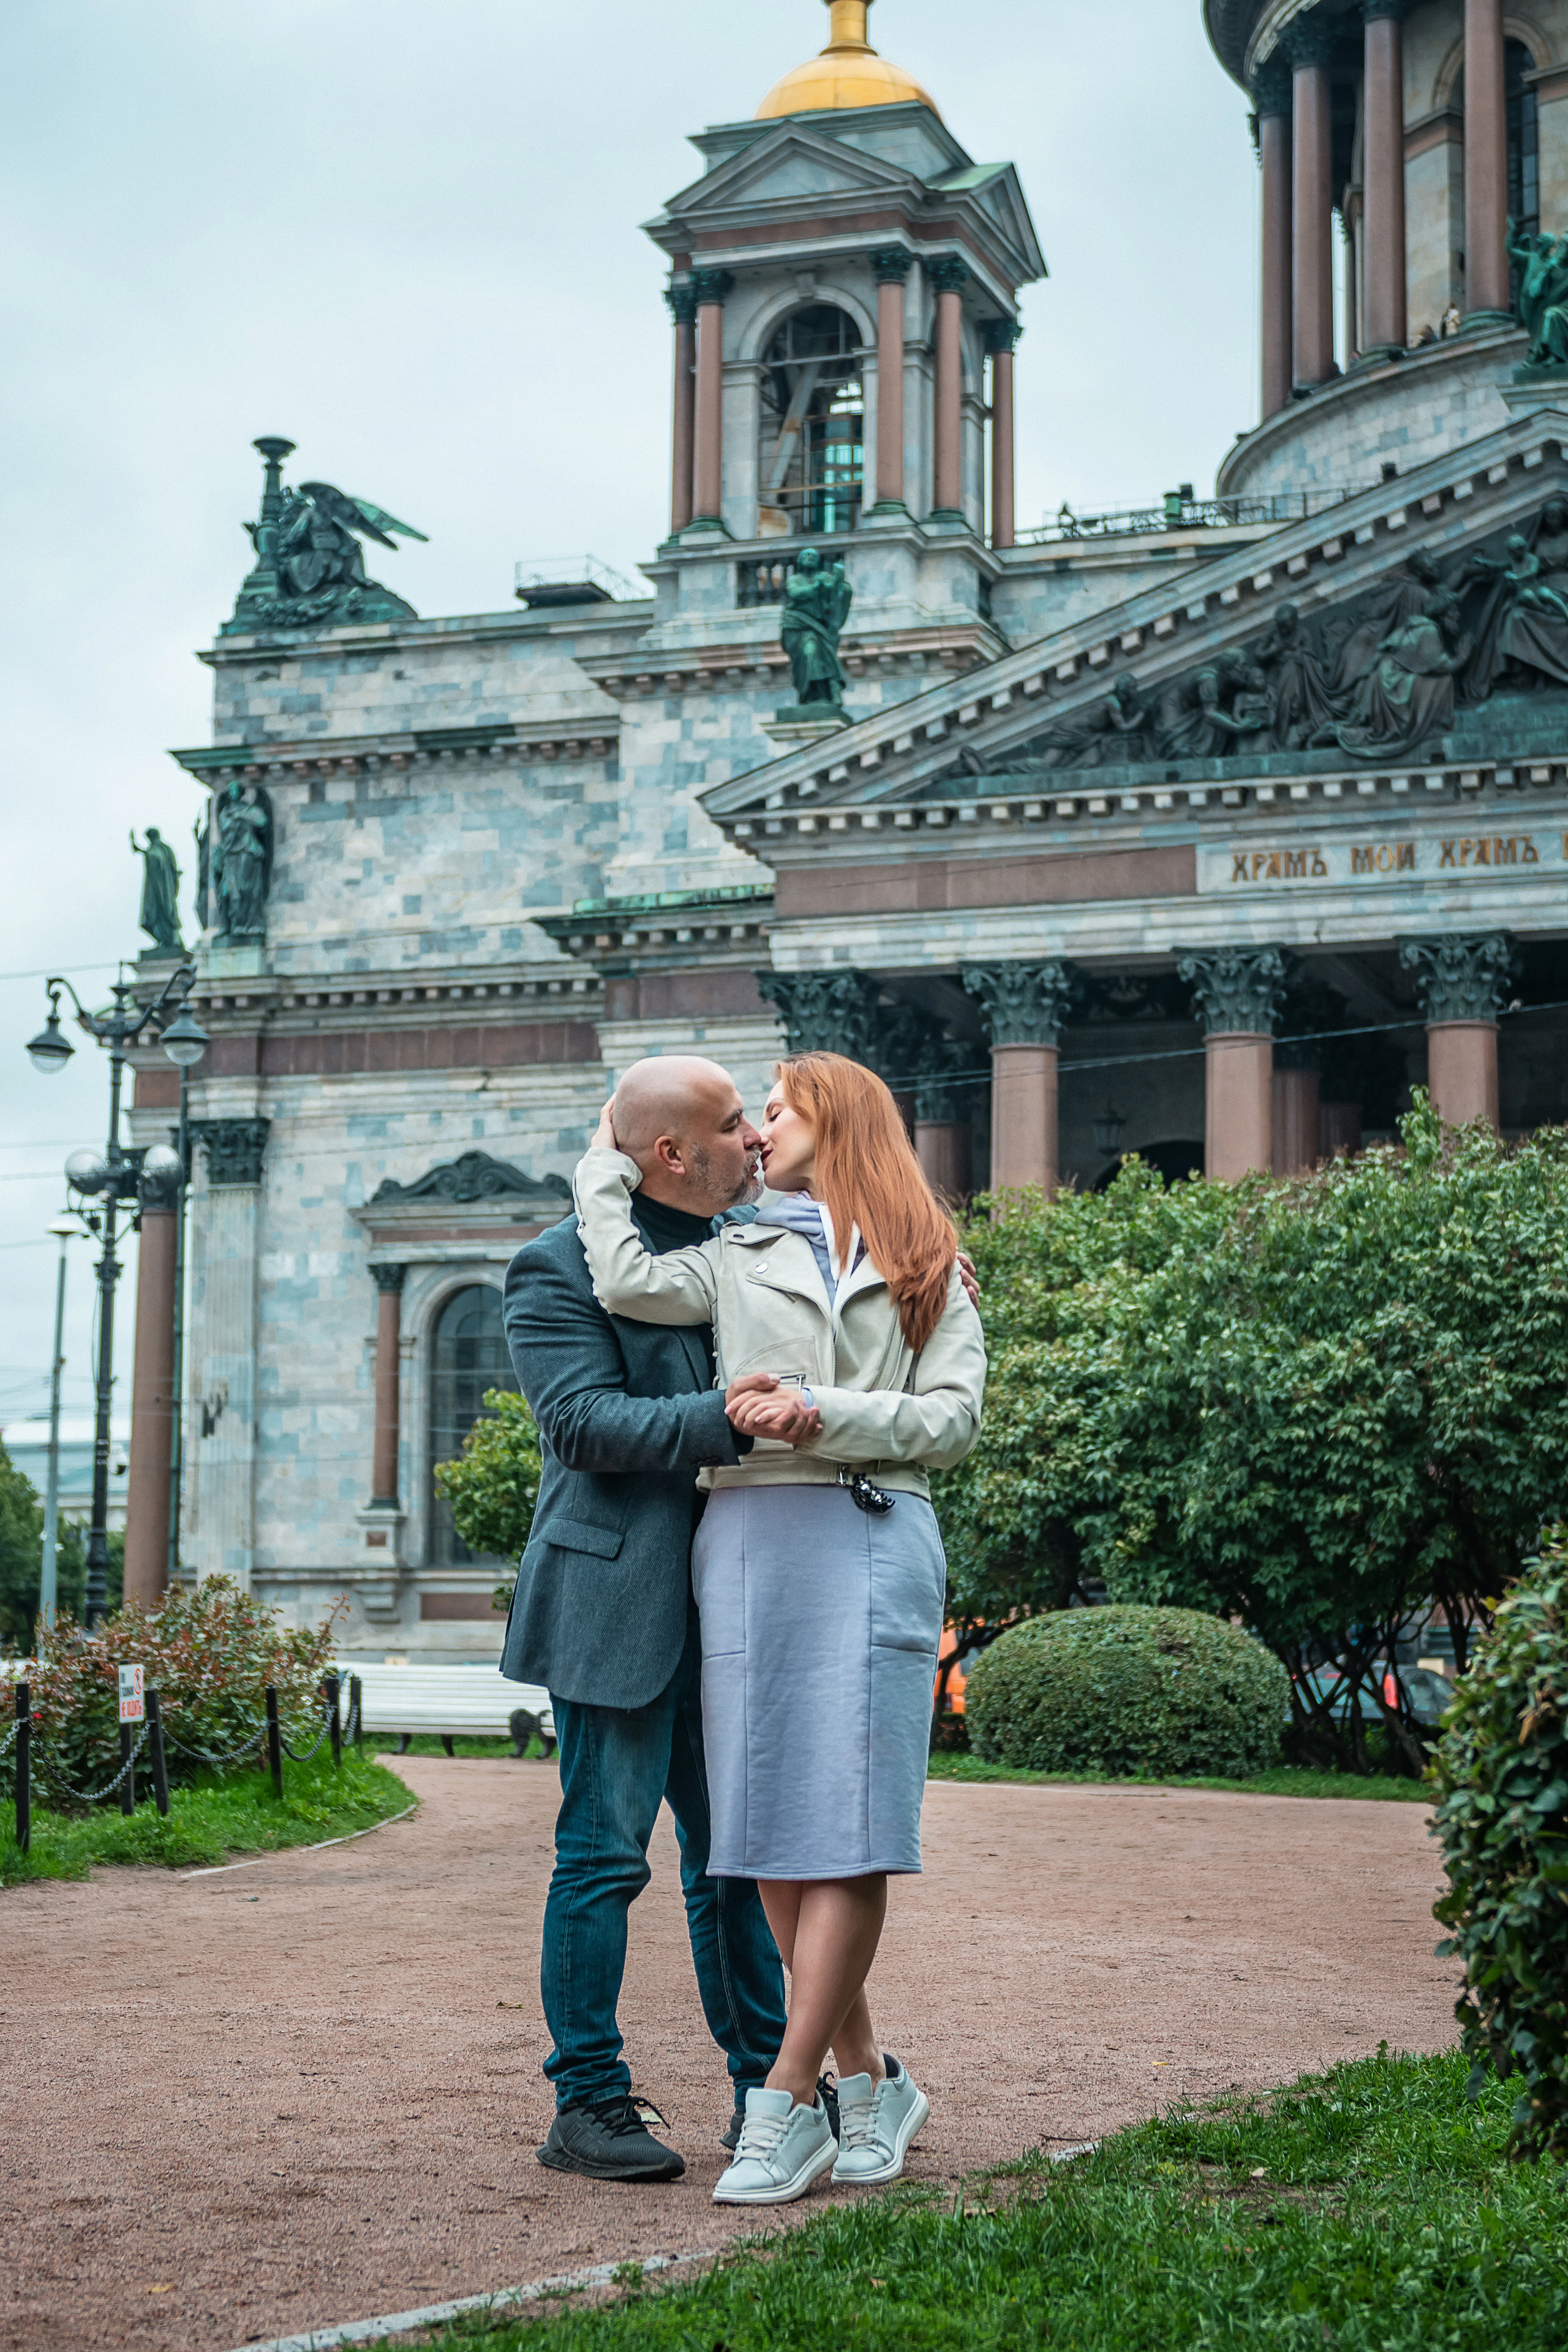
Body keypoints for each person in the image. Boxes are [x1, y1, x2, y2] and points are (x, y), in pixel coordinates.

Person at [571, 1052, 987, 2207]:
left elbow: (952, 1425)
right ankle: (870, 2081)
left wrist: (822, 1413)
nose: (758, 1132)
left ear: (834, 1122)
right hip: (747, 1540)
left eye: (779, 1109)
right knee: (760, 1832)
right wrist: (605, 1159)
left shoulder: (929, 1263)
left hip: (872, 1532)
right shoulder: (732, 1251)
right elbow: (621, 1282)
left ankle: (784, 2097)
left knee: (848, 1829)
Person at [500, 1057, 795, 2184]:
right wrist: (731, 1415)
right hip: (614, 1602)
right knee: (602, 1861)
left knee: (737, 1861)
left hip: (735, 1603)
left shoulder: (753, 1245)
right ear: (670, 1154)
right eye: (732, 1126)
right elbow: (583, 1423)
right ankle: (587, 2106)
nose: (755, 1140)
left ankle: (768, 2093)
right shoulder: (556, 1265)